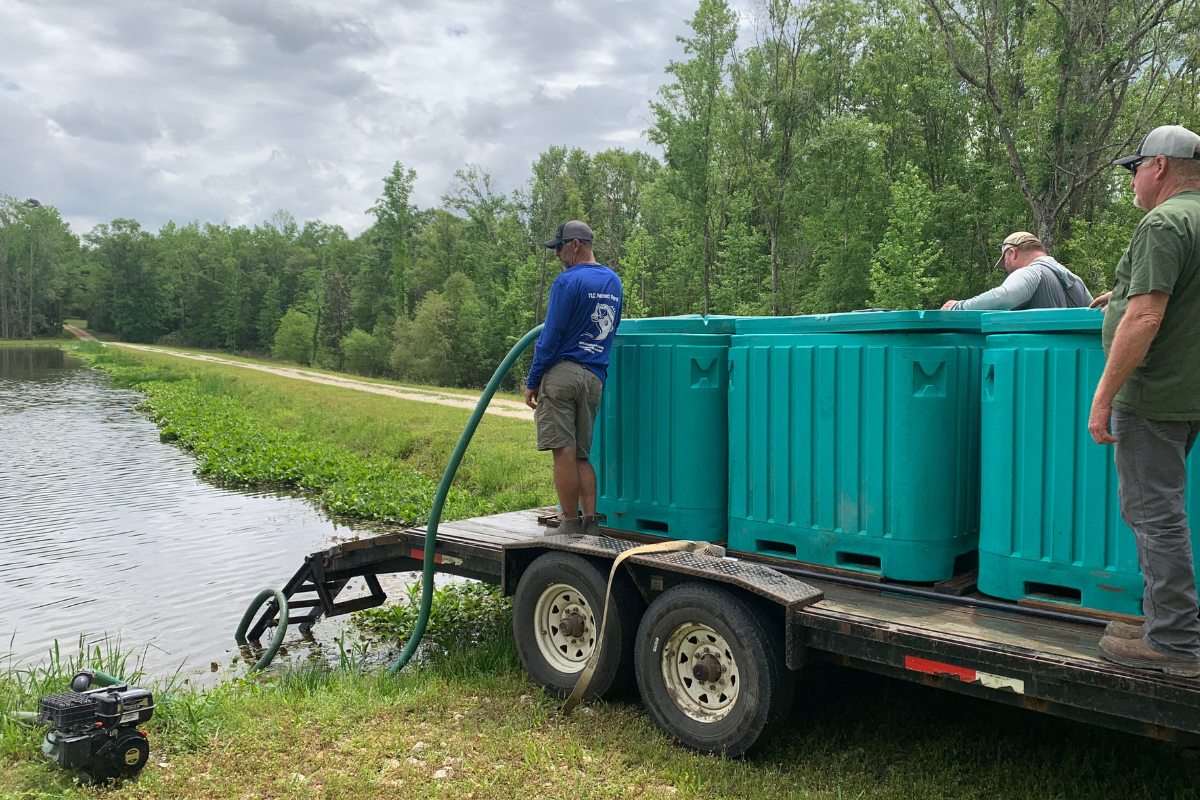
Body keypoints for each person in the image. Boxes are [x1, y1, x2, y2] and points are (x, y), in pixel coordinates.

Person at [1087, 125, 1200, 677]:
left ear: (1160, 166)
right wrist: (1125, 293)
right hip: (1188, 393)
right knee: (1163, 512)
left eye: (1136, 168)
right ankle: (1168, 619)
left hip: (1152, 396)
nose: (1133, 179)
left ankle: (1175, 641)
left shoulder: (1164, 221)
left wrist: (1104, 397)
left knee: (1154, 516)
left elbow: (1149, 315)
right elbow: (1177, 295)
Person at [525, 221, 623, 536]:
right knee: (582, 453)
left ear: (576, 245)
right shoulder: (614, 282)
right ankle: (590, 522)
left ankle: (568, 523)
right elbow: (613, 328)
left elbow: (550, 337)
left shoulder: (567, 282)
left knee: (563, 451)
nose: (557, 255)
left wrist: (533, 379)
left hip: (563, 373)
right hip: (595, 376)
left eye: (559, 247)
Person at [940, 232, 1092, 310]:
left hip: (1034, 362)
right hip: (1074, 366)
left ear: (1012, 253)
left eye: (1006, 264)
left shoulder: (1031, 273)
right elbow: (1098, 315)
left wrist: (957, 307)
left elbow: (1003, 297)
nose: (1008, 271)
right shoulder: (1077, 282)